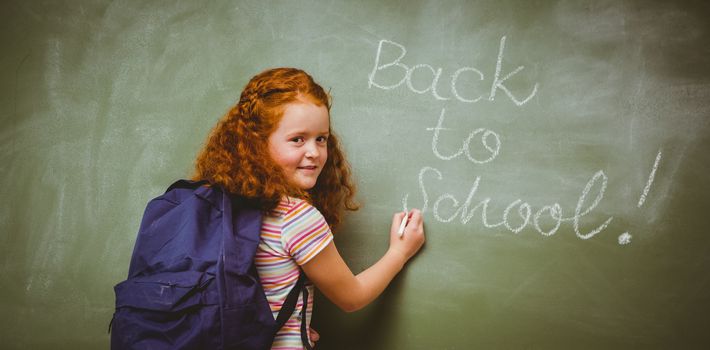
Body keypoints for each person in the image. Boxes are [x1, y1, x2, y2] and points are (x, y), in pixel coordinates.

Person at [191, 67, 425, 349]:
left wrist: (291, 325)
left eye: (321, 138)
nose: (314, 152)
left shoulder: (214, 202)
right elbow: (351, 298)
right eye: (297, 139)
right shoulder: (295, 217)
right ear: (257, 144)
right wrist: (399, 252)